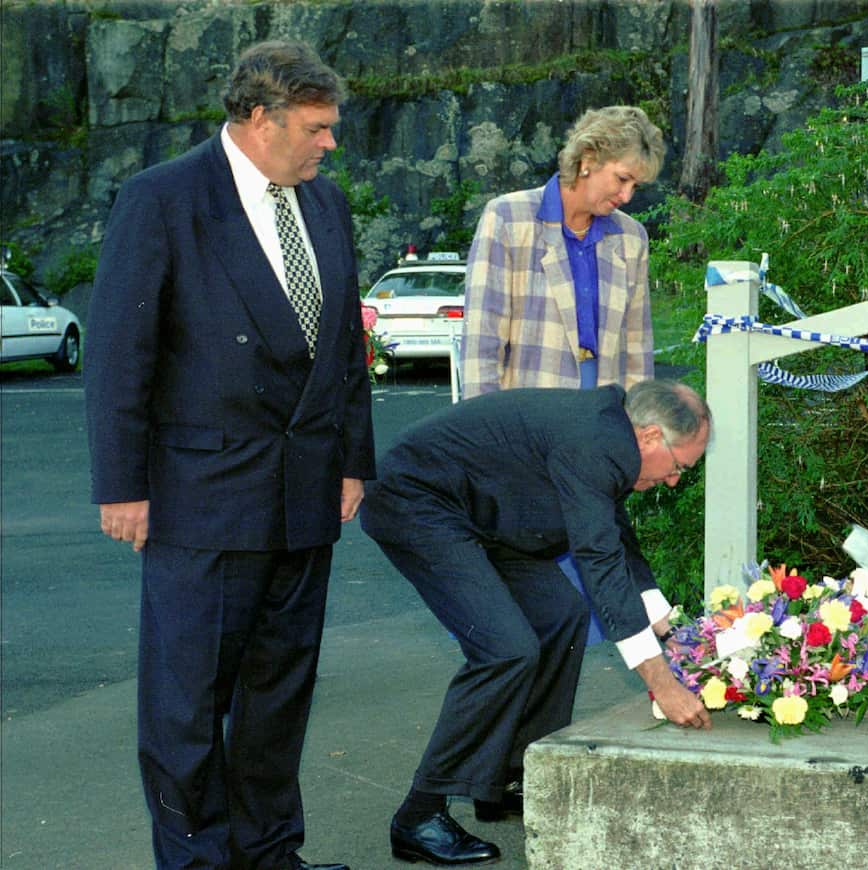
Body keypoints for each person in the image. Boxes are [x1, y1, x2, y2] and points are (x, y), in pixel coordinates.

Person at [84, 40, 375, 870]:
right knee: (186, 707)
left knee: (280, 695)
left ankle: (271, 855)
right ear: (259, 118)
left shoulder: (326, 206)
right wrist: (121, 485)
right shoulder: (163, 199)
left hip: (307, 494)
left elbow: (345, 351)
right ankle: (197, 863)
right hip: (199, 499)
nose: (330, 144)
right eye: (317, 128)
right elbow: (118, 354)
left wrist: (354, 463)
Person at [359, 379, 713, 866]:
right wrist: (661, 684)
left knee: (561, 615)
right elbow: (598, 560)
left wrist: (670, 634)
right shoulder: (598, 440)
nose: (675, 481)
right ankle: (418, 816)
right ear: (651, 437)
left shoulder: (611, 437)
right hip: (417, 501)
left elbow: (616, 540)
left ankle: (507, 774)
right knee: (505, 648)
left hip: (484, 512)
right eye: (679, 468)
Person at [460, 105, 666, 397]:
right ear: (588, 159)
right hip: (524, 418)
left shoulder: (632, 238)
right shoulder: (507, 218)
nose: (627, 196)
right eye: (622, 179)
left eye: (636, 186)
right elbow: (481, 343)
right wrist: (484, 430)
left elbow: (638, 350)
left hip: (603, 420)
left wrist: (636, 427)